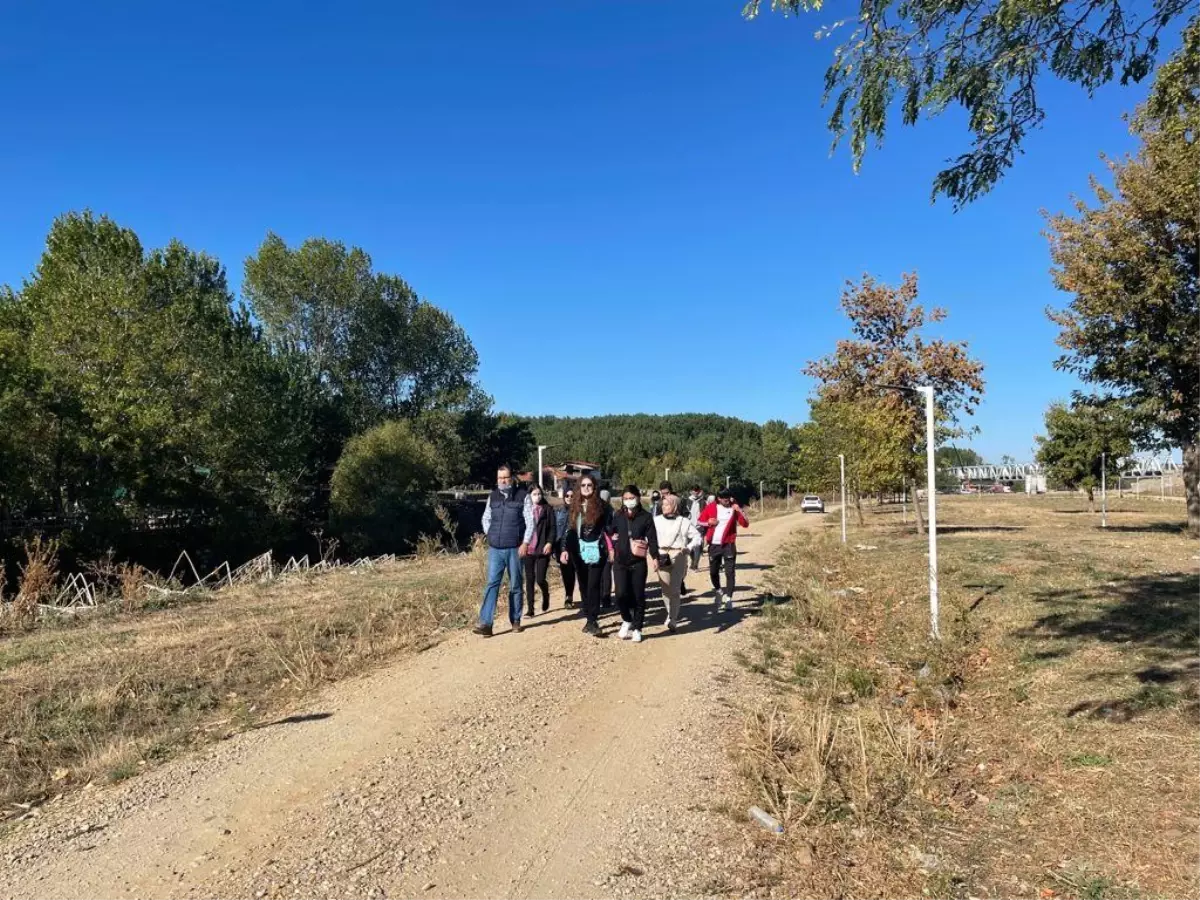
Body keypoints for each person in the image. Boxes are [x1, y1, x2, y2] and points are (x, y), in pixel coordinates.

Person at [474, 465, 534, 636]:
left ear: (511, 478)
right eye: (500, 478)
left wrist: (525, 543)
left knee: (515, 584)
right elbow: (486, 517)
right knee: (492, 583)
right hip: (495, 549)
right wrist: (490, 534)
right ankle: (486, 623)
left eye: (506, 477)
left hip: (515, 548)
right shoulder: (492, 497)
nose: (503, 481)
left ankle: (515, 620)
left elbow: (530, 522)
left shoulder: (523, 496)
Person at [607, 485, 659, 643]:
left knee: (638, 596)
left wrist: (655, 557)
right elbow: (610, 530)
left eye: (632, 498)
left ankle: (637, 628)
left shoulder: (646, 517)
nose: (629, 501)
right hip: (620, 561)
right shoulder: (618, 515)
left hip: (638, 562)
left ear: (638, 497)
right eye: (626, 498)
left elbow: (653, 539)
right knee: (621, 594)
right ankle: (627, 619)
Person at [561, 474, 610, 636]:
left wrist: (611, 545)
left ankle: (593, 620)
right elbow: (570, 530)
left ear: (594, 487)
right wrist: (565, 549)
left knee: (594, 584)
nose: (586, 488)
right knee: (583, 585)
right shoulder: (575, 506)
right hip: (578, 550)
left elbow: (609, 527)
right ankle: (589, 616)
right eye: (583, 485)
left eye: (590, 485)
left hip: (597, 549)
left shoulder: (603, 506)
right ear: (579, 488)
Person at [653, 493, 703, 632]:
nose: (664, 507)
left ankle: (673, 619)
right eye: (663, 504)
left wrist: (688, 547)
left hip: (679, 556)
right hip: (662, 556)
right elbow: (649, 537)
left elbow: (697, 537)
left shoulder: (683, 521)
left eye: (667, 504)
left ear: (674, 505)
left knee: (674, 590)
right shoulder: (656, 521)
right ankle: (670, 613)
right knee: (665, 589)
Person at [697, 489, 750, 611]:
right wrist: (708, 522)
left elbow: (746, 524)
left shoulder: (734, 508)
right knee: (713, 572)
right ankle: (719, 591)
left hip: (728, 545)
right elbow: (700, 520)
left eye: (728, 497)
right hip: (714, 545)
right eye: (723, 497)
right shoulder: (711, 507)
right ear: (718, 498)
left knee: (729, 572)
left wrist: (740, 510)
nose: (726, 499)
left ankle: (729, 599)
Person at [523, 486, 557, 616]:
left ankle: (545, 593)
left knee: (540, 579)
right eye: (534, 494)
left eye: (539, 494)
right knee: (529, 579)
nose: (537, 496)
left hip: (542, 548)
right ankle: (530, 609)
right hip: (528, 549)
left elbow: (553, 528)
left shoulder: (547, 509)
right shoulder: (525, 510)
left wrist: (549, 542)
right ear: (529, 496)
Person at [660, 481, 691, 595]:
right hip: (665, 537)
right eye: (663, 493)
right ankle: (670, 586)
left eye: (667, 493)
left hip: (679, 536)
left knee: (681, 562)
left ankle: (680, 580)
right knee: (665, 562)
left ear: (671, 491)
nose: (665, 496)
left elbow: (687, 514)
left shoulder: (680, 501)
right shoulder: (660, 503)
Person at [554, 488, 576, 607]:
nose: (569, 498)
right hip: (560, 546)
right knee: (566, 572)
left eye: (572, 496)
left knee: (573, 571)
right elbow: (554, 530)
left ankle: (570, 596)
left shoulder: (578, 511)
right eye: (567, 496)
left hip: (574, 546)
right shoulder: (558, 511)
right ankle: (568, 594)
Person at [598, 488, 614, 608]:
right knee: (606, 572)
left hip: (601, 544)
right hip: (607, 545)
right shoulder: (612, 511)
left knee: (602, 572)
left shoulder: (597, 510)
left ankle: (604, 597)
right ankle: (606, 598)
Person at [687, 485, 706, 572]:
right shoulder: (687, 501)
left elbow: (705, 514)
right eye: (694, 490)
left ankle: (695, 565)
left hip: (699, 526)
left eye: (697, 491)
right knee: (690, 547)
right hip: (689, 526)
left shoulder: (703, 501)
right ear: (691, 491)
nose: (695, 492)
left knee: (697, 547)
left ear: (699, 491)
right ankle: (692, 560)